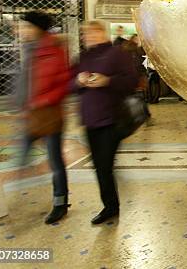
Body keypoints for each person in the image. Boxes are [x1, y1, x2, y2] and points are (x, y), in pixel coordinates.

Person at [71, 21, 137, 224]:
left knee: (104, 164)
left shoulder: (118, 53)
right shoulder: (83, 57)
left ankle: (110, 206)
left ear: (101, 33)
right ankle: (110, 205)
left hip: (112, 119)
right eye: (84, 34)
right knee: (100, 166)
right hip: (90, 119)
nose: (86, 37)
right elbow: (68, 84)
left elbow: (132, 81)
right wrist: (78, 81)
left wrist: (107, 81)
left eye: (90, 33)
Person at [15, 12, 71, 224]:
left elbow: (63, 84)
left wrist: (41, 101)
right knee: (23, 155)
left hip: (49, 115)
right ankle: (19, 193)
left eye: (26, 27)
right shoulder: (30, 49)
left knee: (55, 161)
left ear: (37, 28)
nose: (22, 31)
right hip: (31, 114)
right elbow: (26, 80)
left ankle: (60, 203)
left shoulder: (53, 50)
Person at [123, 34, 151, 121]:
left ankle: (144, 115)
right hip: (137, 76)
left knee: (139, 96)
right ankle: (143, 115)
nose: (138, 40)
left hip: (136, 76)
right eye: (137, 39)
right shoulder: (134, 50)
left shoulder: (135, 50)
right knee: (139, 96)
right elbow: (138, 64)